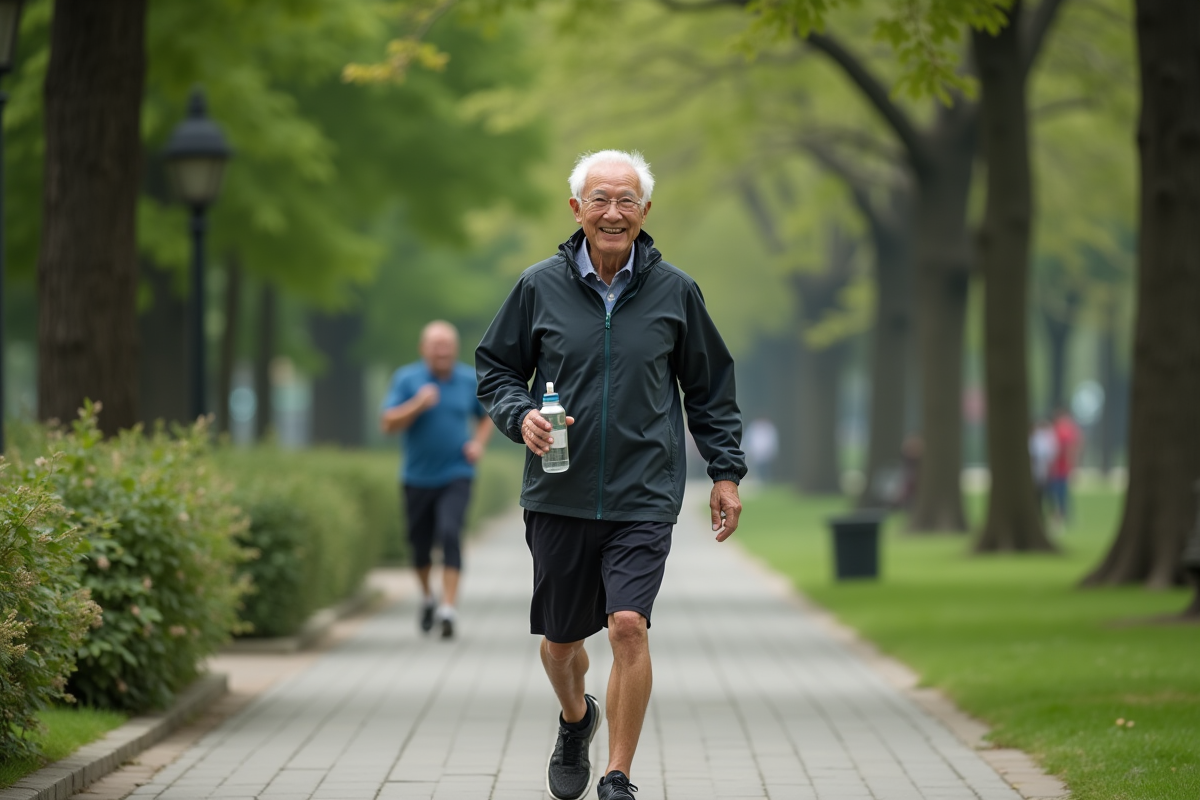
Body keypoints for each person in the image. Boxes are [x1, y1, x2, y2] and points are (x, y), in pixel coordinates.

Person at [476, 150, 746, 800]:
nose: (613, 212)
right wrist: (520, 419)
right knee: (562, 644)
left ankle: (617, 776)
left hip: (644, 493)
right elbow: (495, 370)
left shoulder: (675, 291)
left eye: (626, 200)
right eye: (600, 199)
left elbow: (710, 388)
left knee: (628, 625)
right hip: (558, 492)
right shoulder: (537, 286)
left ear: (645, 211)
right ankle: (576, 718)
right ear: (577, 209)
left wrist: (726, 471)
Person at [381, 321, 493, 639]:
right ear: (423, 349)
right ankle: (428, 597)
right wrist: (417, 404)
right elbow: (387, 424)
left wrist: (477, 444)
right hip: (416, 477)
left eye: (446, 345)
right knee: (419, 547)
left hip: (457, 472)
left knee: (450, 533)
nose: (441, 351)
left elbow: (486, 414)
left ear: (455, 349)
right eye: (435, 345)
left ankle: (448, 608)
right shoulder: (407, 379)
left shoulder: (466, 378)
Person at [1048, 407, 1082, 527]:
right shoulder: (1068, 429)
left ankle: (1061, 517)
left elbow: (1069, 449)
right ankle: (1063, 516)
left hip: (1060, 468)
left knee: (1059, 493)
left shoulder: (1063, 429)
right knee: (1060, 493)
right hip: (1060, 468)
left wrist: (1071, 465)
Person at [1028, 418, 1058, 517]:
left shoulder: (1039, 439)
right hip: (1038, 474)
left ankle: (1051, 514)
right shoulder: (1036, 439)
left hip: (1041, 474)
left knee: (1044, 495)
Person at [744, 417, 780, 483]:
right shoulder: (753, 427)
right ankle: (761, 482)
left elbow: (773, 441)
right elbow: (748, 440)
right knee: (758, 469)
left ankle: (767, 481)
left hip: (767, 454)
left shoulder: (769, 427)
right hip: (756, 454)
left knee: (766, 469)